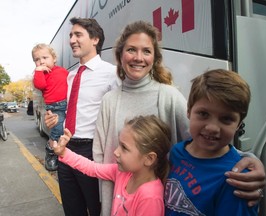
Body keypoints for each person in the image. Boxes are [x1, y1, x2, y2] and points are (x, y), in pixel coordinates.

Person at [91, 21, 266, 216]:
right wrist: (107, 207)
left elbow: (205, 139)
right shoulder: (109, 100)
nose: (139, 58)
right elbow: (101, 157)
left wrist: (248, 159)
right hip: (120, 203)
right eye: (131, 49)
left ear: (155, 58)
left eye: (147, 51)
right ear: (120, 54)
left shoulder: (169, 96)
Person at [45, 17, 119, 216]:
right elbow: (69, 110)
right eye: (71, 35)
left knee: (97, 209)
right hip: (65, 149)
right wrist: (53, 121)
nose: (71, 40)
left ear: (95, 39)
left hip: (92, 152)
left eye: (78, 35)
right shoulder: (70, 75)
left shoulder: (112, 73)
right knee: (72, 210)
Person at [165, 69, 259, 215]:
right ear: (188, 111)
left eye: (226, 119)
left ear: (239, 125)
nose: (212, 128)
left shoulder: (237, 180)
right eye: (203, 114)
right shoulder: (177, 152)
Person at [53, 115, 171, 216]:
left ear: (149, 158)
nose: (116, 152)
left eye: (124, 148)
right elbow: (92, 168)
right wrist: (64, 153)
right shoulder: (122, 173)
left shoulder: (150, 197)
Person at [32, 43, 68, 171]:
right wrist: (38, 71)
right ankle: (51, 151)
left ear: (54, 59)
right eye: (37, 59)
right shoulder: (40, 75)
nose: (41, 61)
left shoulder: (62, 71)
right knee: (57, 130)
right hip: (54, 107)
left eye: (45, 57)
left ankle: (61, 152)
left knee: (67, 131)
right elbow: (40, 85)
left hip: (68, 104)